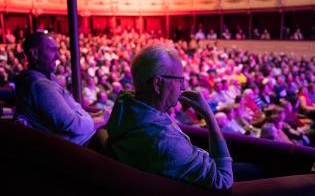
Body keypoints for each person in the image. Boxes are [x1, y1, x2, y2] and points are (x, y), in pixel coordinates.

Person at [107, 44, 233, 189]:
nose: (182, 87)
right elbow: (224, 181)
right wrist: (209, 116)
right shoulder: (163, 142)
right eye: (179, 79)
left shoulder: (126, 106)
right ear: (157, 83)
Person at [15, 32, 106, 146]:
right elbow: (76, 126)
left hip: (85, 137)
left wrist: (97, 115)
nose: (58, 56)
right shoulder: (40, 86)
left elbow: (74, 111)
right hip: (82, 145)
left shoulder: (49, 77)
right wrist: (103, 118)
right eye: (52, 50)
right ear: (35, 53)